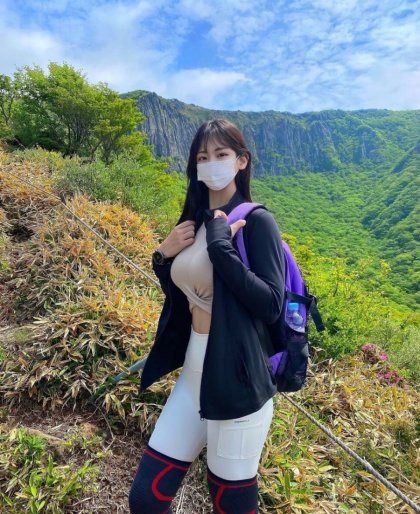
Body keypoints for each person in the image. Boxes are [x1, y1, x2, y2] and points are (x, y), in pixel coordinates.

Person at [129, 118, 286, 513]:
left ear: (241, 160)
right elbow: (187, 291)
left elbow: (271, 304)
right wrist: (163, 256)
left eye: (221, 154)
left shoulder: (256, 222)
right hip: (193, 376)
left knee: (229, 506)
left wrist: (222, 249)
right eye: (202, 157)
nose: (210, 163)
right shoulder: (197, 220)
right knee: (146, 499)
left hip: (238, 386)